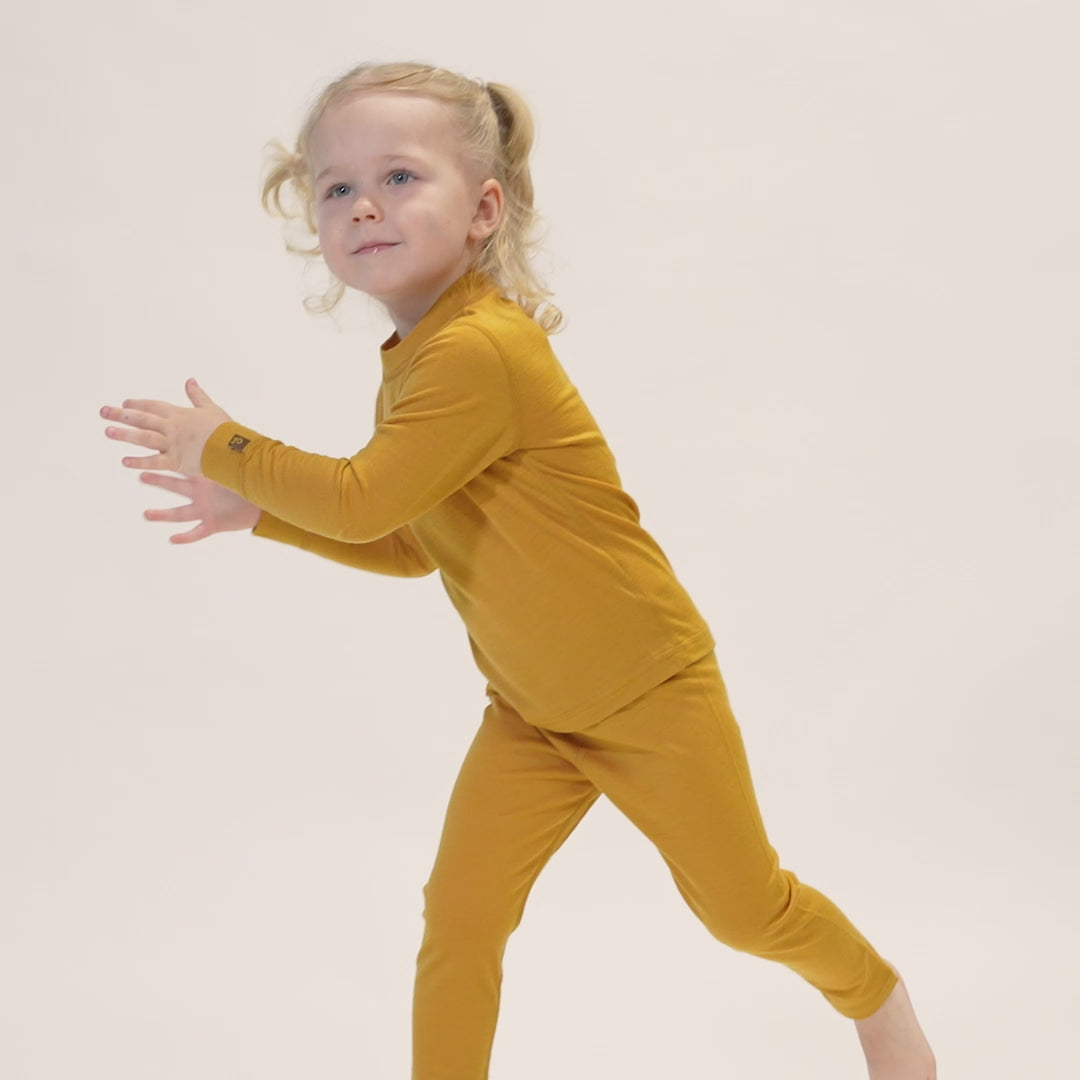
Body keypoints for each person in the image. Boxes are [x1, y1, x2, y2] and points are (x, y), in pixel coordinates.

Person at [100, 61, 936, 1080]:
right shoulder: (416, 360)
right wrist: (261, 516)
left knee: (743, 907)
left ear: (484, 208)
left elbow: (365, 496)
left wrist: (229, 450)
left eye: (401, 177)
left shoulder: (479, 353)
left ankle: (879, 1002)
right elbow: (414, 542)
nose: (364, 203)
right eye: (336, 186)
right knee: (459, 916)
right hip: (534, 711)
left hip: (647, 690)